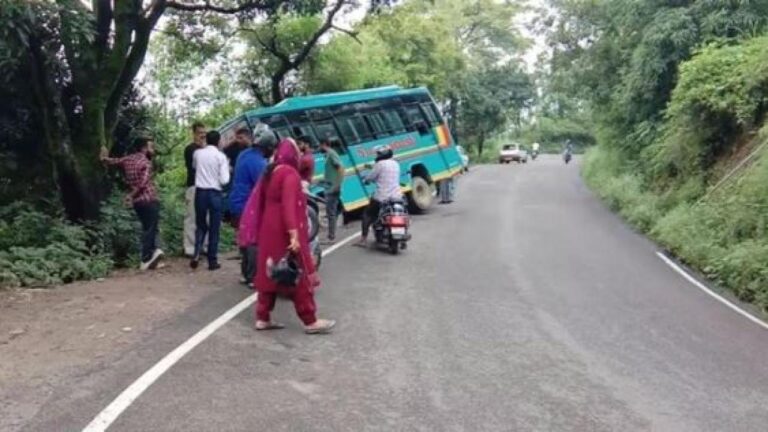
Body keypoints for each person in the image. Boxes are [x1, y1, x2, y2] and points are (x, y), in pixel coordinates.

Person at [242, 139, 335, 334]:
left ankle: (263, 317)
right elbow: (288, 206)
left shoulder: (270, 172)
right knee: (297, 275)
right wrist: (293, 235)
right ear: (293, 154)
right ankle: (310, 320)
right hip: (284, 231)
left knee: (269, 272)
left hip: (268, 231)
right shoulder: (290, 174)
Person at [101, 137, 164, 271]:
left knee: (149, 227)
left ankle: (153, 256)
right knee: (150, 229)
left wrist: (104, 157)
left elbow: (113, 161)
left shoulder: (128, 159)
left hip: (138, 203)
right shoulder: (145, 162)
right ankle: (146, 258)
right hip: (148, 198)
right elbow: (143, 182)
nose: (152, 150)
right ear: (143, 148)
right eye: (150, 147)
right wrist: (131, 195)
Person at [229, 129, 276, 287]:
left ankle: (245, 273)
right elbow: (265, 185)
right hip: (248, 205)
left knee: (244, 239)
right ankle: (253, 276)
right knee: (253, 240)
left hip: (236, 202)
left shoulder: (244, 155)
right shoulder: (259, 163)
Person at [191, 130, 230, 270]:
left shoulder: (197, 153)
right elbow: (224, 180)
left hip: (200, 192)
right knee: (214, 227)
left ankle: (196, 253)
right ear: (219, 141)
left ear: (206, 140)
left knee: (200, 224)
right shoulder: (221, 157)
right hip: (215, 193)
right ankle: (212, 261)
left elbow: (194, 167)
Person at [357, 145, 402, 247]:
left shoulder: (380, 164)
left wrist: (366, 180)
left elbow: (370, 177)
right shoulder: (396, 163)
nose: (376, 155)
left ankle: (363, 239)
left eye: (378, 153)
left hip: (382, 197)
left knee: (367, 215)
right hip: (397, 196)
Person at [183, 122, 207, 256]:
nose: (202, 136)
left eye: (204, 133)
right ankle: (190, 247)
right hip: (193, 186)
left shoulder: (207, 149)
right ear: (194, 134)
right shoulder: (190, 149)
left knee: (205, 218)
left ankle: (203, 245)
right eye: (200, 133)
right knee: (192, 217)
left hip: (205, 186)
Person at [319, 138, 344, 243]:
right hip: (329, 187)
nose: (318, 148)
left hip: (332, 189)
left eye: (320, 145)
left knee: (331, 213)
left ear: (324, 144)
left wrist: (337, 185)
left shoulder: (331, 154)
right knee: (332, 212)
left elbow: (341, 169)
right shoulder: (328, 155)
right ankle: (331, 235)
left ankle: (331, 237)